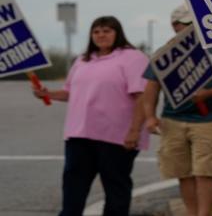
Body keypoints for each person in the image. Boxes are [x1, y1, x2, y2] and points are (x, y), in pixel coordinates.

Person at [31, 16, 149, 216]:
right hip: (80, 135)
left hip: (117, 137)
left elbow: (142, 97)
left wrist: (135, 130)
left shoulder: (133, 58)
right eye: (96, 31)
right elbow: (70, 92)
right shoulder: (83, 60)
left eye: (107, 31)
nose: (101, 35)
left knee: (115, 188)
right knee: (73, 188)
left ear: (117, 33)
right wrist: (48, 93)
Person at [142, 5, 212, 216]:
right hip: (173, 120)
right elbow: (151, 87)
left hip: (209, 119)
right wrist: (149, 117)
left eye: (191, 24)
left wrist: (208, 93)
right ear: (174, 25)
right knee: (182, 173)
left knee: (206, 173)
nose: (188, 28)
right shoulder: (165, 52)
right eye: (184, 24)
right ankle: (192, 213)